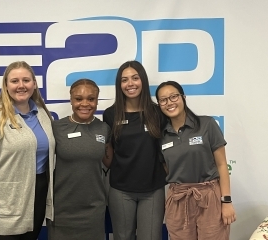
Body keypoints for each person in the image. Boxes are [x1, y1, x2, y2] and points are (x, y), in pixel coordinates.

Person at [0, 61, 55, 240]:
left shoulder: (42, 114)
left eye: (26, 80)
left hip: (36, 200)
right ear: (6, 85)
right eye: (15, 81)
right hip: (2, 207)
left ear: (34, 84)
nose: (21, 85)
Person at [155, 80, 236, 240]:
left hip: (208, 198)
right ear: (159, 105)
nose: (169, 103)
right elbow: (166, 168)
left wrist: (226, 201)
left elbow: (221, 165)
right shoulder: (161, 136)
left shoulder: (207, 124)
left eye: (173, 97)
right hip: (178, 201)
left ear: (183, 97)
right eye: (163, 100)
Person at [103, 60, 167, 240]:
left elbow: (167, 148)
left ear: (143, 81)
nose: (130, 84)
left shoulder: (158, 112)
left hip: (153, 190)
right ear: (119, 84)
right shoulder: (110, 114)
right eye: (124, 80)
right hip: (120, 190)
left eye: (135, 78)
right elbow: (108, 152)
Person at [47, 79, 112, 240]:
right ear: (71, 100)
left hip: (94, 210)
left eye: (91, 99)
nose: (85, 104)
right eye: (78, 99)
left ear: (97, 101)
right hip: (62, 210)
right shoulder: (56, 128)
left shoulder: (104, 129)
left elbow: (110, 162)